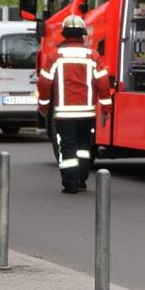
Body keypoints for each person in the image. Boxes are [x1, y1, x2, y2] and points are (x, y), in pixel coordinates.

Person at [37, 15, 111, 194]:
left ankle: (70, 184)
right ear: (82, 35)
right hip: (87, 113)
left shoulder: (55, 55)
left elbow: (45, 83)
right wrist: (106, 108)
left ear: (64, 34)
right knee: (84, 147)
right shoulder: (92, 55)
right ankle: (81, 179)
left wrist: (43, 106)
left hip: (64, 114)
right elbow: (103, 83)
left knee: (68, 147)